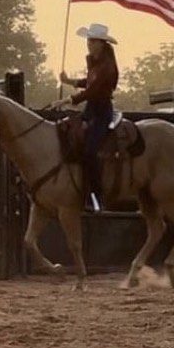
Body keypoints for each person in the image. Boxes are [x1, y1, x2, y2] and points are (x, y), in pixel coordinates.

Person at [53, 23, 119, 212]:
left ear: (101, 43)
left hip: (101, 112)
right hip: (91, 110)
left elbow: (94, 90)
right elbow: (88, 82)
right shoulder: (97, 64)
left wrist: (68, 99)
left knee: (90, 151)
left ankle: (96, 195)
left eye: (92, 41)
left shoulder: (107, 67)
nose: (88, 44)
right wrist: (69, 82)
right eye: (88, 40)